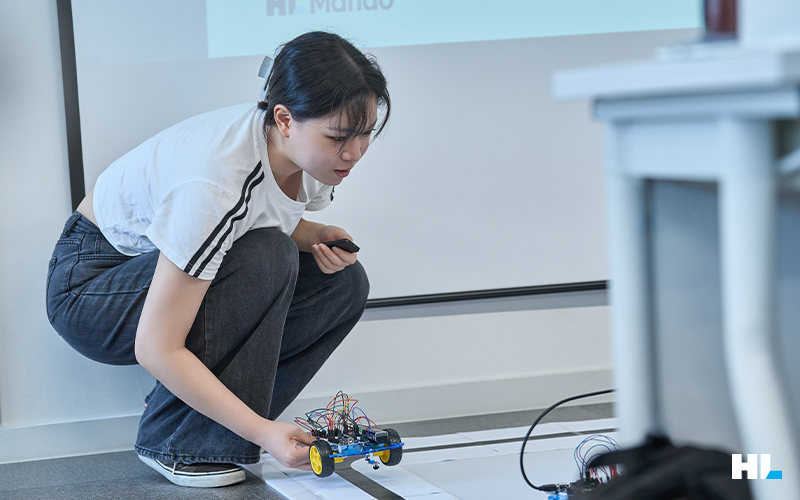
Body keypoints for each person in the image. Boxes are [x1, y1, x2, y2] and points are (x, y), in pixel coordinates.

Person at [45, 31, 390, 488]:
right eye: (339, 137)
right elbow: (156, 346)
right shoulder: (215, 182)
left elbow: (258, 216)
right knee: (268, 256)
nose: (355, 152)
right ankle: (177, 441)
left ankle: (200, 423)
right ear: (285, 119)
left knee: (343, 284)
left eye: (366, 133)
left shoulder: (310, 158)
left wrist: (315, 235)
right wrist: (264, 432)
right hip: (89, 287)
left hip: (153, 265)